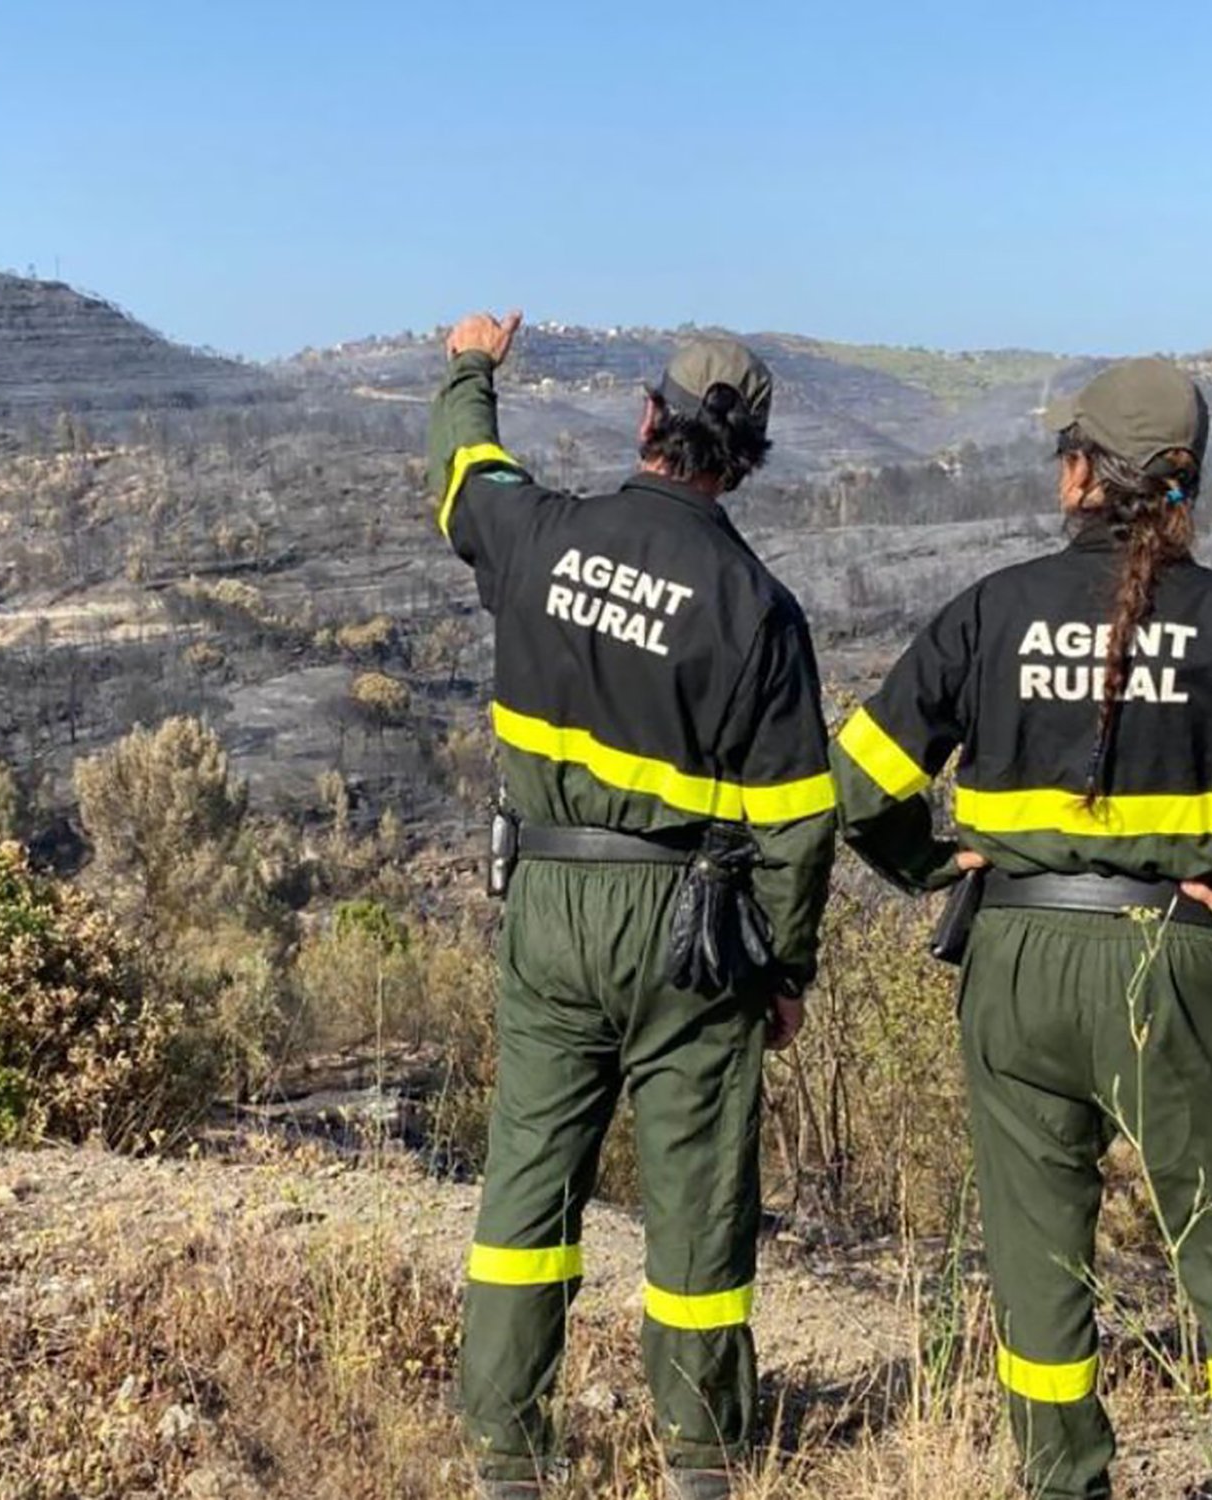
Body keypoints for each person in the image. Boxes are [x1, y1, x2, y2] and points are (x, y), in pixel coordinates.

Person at [831, 357, 1212, 1500]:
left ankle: (1061, 1483)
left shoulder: (991, 608)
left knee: (1038, 1254)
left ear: (1080, 473)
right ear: (1183, 488)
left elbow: (857, 784)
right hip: (1172, 963)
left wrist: (937, 868)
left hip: (1015, 964)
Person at [430, 310, 836, 1500]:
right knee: (699, 1189)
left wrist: (471, 368)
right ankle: (700, 1456)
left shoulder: (539, 535)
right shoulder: (757, 607)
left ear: (648, 418)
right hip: (689, 933)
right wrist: (784, 972)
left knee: (528, 1176)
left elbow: (465, 473)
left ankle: (508, 1449)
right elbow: (800, 825)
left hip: (550, 901)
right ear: (745, 459)